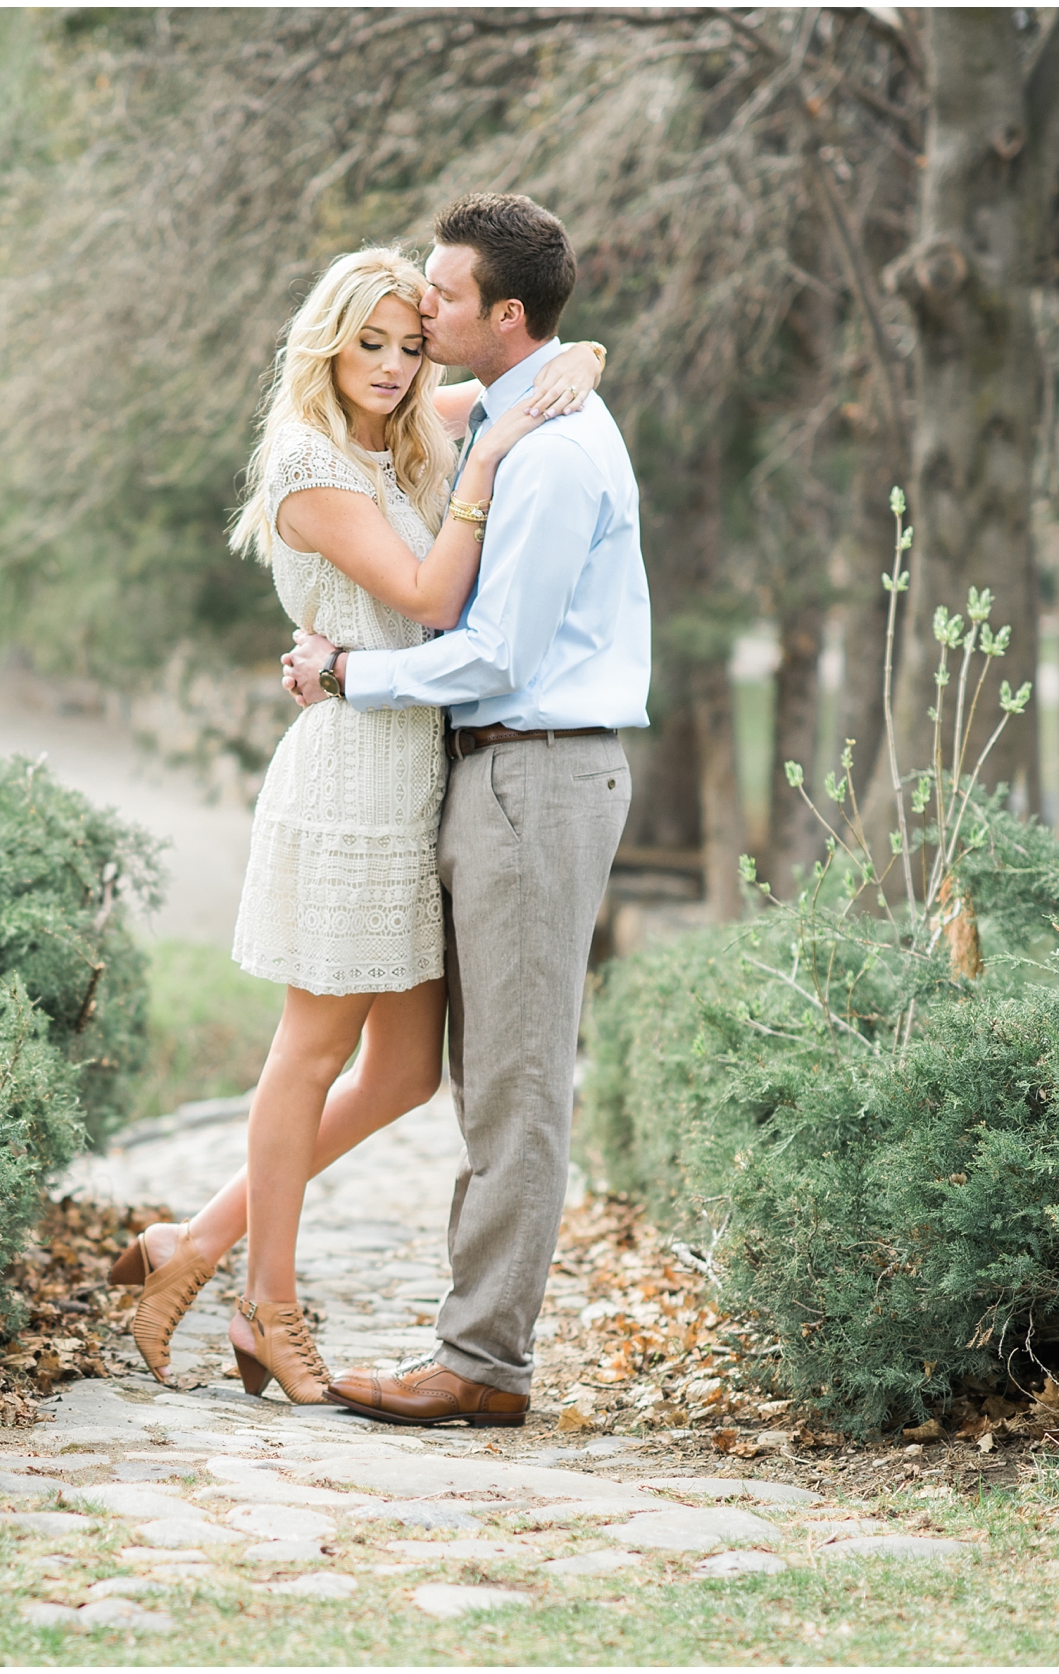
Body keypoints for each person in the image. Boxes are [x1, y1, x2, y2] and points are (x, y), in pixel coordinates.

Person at [108, 241, 610, 1404]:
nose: (389, 366)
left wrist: (577, 356)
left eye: (404, 340)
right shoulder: (310, 462)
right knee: (311, 1050)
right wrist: (492, 459)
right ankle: (263, 1303)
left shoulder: (400, 426)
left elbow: (529, 364)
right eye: (365, 344)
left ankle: (192, 1242)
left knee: (401, 1075)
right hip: (349, 779)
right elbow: (432, 598)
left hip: (418, 772)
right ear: (324, 344)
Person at [284, 193, 649, 1425]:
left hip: (534, 774)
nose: (419, 314)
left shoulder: (546, 453)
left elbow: (494, 651)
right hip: (491, 775)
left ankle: (481, 1365)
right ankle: (466, 1343)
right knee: (480, 1074)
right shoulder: (511, 409)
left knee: (516, 1083)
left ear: (503, 315)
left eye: (439, 298)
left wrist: (349, 675)